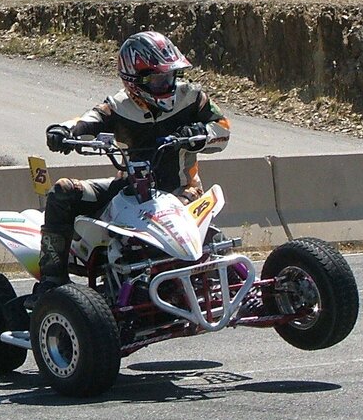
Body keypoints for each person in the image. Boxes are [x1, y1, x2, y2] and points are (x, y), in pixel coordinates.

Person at [35, 30, 231, 298]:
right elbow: (87, 121)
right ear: (134, 80)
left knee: (211, 241)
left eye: (170, 75)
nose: (167, 83)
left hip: (183, 193)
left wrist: (196, 135)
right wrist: (63, 131)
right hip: (128, 190)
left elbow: (223, 130)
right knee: (62, 192)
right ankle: (52, 282)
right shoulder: (118, 106)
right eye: (158, 78)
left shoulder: (192, 97)